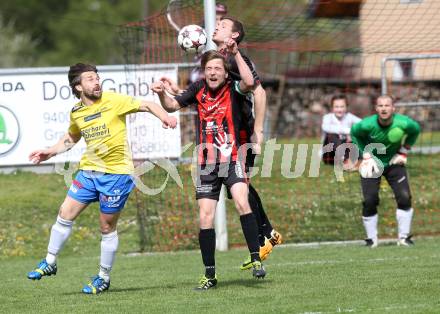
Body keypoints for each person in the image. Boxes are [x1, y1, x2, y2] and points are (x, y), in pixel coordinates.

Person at [26, 63, 177, 294]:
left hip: (117, 175)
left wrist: (164, 116)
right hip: (88, 172)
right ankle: (50, 261)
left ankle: (103, 277)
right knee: (64, 213)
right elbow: (71, 137)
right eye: (90, 79)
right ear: (78, 86)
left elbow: (146, 104)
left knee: (106, 227)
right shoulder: (77, 112)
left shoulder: (113, 100)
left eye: (97, 78)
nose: (96, 82)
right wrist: (50, 151)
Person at [161, 16, 282, 272]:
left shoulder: (238, 59)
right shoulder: (216, 59)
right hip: (215, 144)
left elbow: (257, 90)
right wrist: (173, 91)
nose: (215, 25)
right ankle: (266, 233)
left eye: (223, 24)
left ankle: (266, 235)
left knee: (240, 189)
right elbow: (202, 94)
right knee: (237, 189)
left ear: (234, 36)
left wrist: (257, 132)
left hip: (238, 135)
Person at [153, 47, 266, 290]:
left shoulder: (233, 87)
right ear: (204, 73)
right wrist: (162, 93)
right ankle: (209, 275)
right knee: (205, 217)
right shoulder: (198, 89)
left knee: (241, 202)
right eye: (208, 69)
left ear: (225, 73)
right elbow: (172, 105)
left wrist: (235, 53)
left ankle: (256, 259)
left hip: (233, 157)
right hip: (206, 163)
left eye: (217, 68)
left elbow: (249, 82)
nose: (212, 72)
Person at [351, 94, 420, 248]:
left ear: (393, 108)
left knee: (404, 197)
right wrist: (365, 155)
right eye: (380, 106)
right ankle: (371, 240)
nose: (384, 108)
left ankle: (404, 238)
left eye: (387, 105)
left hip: (394, 163)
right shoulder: (367, 125)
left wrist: (403, 151)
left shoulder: (403, 122)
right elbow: (354, 134)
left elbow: (416, 130)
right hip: (371, 164)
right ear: (376, 109)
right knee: (370, 200)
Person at [321, 94, 361, 168]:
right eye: (336, 107)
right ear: (332, 108)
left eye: (342, 106)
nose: (339, 109)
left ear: (346, 107)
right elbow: (326, 127)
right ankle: (345, 160)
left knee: (357, 136)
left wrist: (353, 135)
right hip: (330, 155)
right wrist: (348, 132)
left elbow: (362, 124)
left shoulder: (350, 116)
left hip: (345, 150)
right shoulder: (327, 118)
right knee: (332, 135)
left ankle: (356, 159)